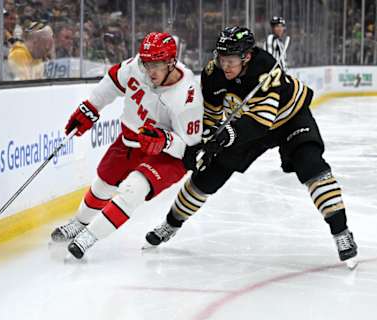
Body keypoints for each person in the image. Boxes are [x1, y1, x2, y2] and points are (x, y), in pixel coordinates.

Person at [145, 27, 358, 268]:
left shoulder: (264, 68)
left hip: (289, 119)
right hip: (245, 123)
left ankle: (341, 232)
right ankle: (171, 224)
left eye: (231, 61)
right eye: (221, 58)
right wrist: (208, 142)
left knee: (312, 167)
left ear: (246, 57)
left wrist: (227, 135)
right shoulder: (213, 73)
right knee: (207, 175)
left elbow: (261, 122)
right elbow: (212, 115)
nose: (225, 65)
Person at [50, 32, 203, 259]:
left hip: (167, 157)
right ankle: (80, 223)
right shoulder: (136, 67)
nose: (150, 71)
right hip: (129, 141)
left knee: (133, 189)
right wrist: (91, 107)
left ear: (171, 62)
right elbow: (112, 81)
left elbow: (190, 151)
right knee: (102, 185)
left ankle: (88, 237)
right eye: (147, 63)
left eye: (157, 65)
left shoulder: (187, 96)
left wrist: (165, 140)